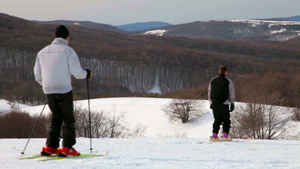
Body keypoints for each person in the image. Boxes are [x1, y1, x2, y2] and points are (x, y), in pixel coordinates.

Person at [34, 25, 92, 156]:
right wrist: (86, 73)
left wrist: (46, 84)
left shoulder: (42, 52)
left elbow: (37, 75)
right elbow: (77, 73)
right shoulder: (68, 50)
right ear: (67, 37)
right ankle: (67, 147)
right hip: (64, 89)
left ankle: (51, 147)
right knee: (68, 118)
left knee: (56, 118)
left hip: (48, 89)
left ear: (54, 37)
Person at [208, 65, 235, 141]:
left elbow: (209, 92)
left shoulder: (213, 80)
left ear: (219, 71)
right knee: (226, 120)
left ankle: (214, 135)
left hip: (214, 103)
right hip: (224, 103)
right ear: (226, 72)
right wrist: (232, 103)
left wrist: (211, 102)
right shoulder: (228, 81)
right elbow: (231, 92)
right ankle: (225, 135)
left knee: (217, 120)